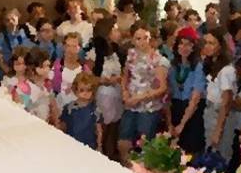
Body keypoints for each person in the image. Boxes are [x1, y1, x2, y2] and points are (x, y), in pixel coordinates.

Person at [118, 23, 169, 164]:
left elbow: (162, 87)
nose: (142, 42)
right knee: (123, 141)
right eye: (138, 38)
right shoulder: (131, 54)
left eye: (145, 38)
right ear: (133, 40)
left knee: (144, 143)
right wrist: (124, 92)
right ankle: (126, 166)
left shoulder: (158, 59)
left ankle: (142, 171)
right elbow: (125, 76)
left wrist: (140, 97)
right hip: (131, 104)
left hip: (148, 107)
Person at [201, 29, 238, 165]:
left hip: (220, 114)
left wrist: (218, 130)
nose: (207, 46)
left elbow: (226, 101)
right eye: (205, 43)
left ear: (221, 46)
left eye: (212, 43)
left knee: (220, 156)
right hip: (210, 110)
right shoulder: (211, 64)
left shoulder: (226, 70)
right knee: (209, 151)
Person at [167, 32, 206, 155]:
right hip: (176, 107)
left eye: (188, 45)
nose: (184, 48)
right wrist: (170, 123)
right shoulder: (173, 66)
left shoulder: (198, 67)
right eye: (182, 44)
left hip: (192, 111)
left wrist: (182, 124)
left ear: (194, 48)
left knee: (190, 149)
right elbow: (168, 95)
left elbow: (195, 98)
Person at [91, 17, 124, 159]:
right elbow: (89, 75)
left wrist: (119, 78)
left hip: (116, 92)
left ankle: (112, 154)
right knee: (104, 126)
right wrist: (104, 80)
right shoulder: (95, 50)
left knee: (114, 127)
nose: (118, 32)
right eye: (115, 29)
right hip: (103, 94)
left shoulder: (116, 49)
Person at [59, 72, 102, 151]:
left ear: (93, 91)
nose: (85, 93)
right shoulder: (69, 108)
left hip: (89, 146)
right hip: (71, 144)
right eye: (82, 90)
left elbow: (98, 130)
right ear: (75, 90)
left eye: (89, 90)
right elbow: (63, 126)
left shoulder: (95, 109)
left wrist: (99, 146)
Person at [53, 33, 90, 109]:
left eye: (74, 46)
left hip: (78, 108)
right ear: (64, 47)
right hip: (59, 107)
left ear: (79, 48)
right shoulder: (56, 66)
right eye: (68, 46)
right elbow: (52, 89)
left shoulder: (84, 69)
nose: (70, 50)